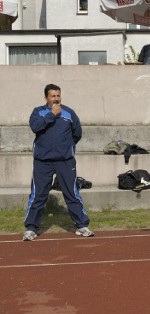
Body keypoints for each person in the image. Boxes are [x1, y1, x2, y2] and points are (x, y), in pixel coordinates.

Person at [24, 83, 93, 240]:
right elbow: (35, 127)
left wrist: (66, 148)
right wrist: (52, 115)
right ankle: (31, 228)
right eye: (52, 96)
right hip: (43, 161)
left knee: (71, 193)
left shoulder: (69, 113)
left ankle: (81, 225)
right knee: (38, 195)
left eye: (58, 96)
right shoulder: (38, 112)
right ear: (46, 98)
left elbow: (77, 133)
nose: (56, 99)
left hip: (65, 161)